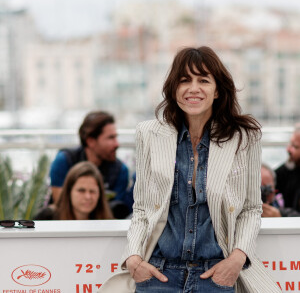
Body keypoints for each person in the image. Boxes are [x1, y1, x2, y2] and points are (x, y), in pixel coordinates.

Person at [98, 46, 280, 292]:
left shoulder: (244, 137)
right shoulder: (149, 134)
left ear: (217, 90)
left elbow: (250, 209)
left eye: (203, 80)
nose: (193, 88)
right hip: (158, 274)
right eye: (185, 80)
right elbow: (141, 207)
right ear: (174, 89)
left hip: (216, 274)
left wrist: (236, 260)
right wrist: (133, 258)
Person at [49, 111, 132, 215]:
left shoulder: (120, 170)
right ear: (91, 141)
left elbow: (114, 212)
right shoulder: (64, 161)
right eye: (111, 138)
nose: (117, 144)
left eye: (116, 137)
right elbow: (61, 206)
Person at [35, 161, 113, 220]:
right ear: (69, 191)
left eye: (92, 191)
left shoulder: (108, 221)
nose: (88, 196)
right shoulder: (47, 217)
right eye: (81, 190)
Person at [275, 123, 300, 212]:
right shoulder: (289, 169)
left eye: (295, 146)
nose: (288, 149)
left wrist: (279, 215)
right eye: (290, 144)